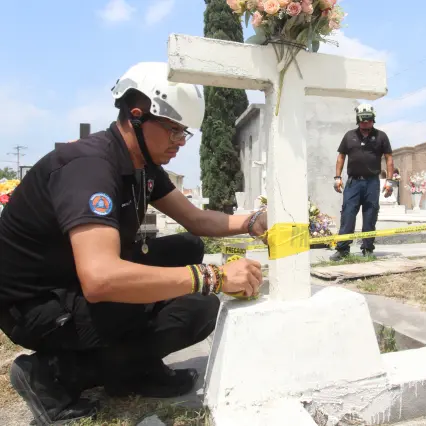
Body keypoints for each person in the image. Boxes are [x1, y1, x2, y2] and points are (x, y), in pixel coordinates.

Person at [0, 62, 267, 425]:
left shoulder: (140, 163)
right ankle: (55, 374)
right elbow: (100, 279)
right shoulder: (90, 167)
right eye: (173, 131)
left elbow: (197, 219)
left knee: (186, 246)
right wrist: (213, 278)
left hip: (71, 278)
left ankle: (134, 365)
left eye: (183, 133)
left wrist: (254, 222)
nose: (179, 142)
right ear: (137, 116)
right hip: (37, 305)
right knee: (196, 309)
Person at [330, 104, 394, 260]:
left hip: (372, 183)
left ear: (373, 119)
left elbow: (389, 159)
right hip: (353, 183)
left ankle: (367, 249)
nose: (366, 123)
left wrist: (390, 181)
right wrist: (337, 177)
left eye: (369, 120)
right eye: (363, 121)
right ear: (358, 120)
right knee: (348, 215)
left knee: (370, 215)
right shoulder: (349, 136)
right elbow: (341, 157)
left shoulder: (381, 136)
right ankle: (343, 250)